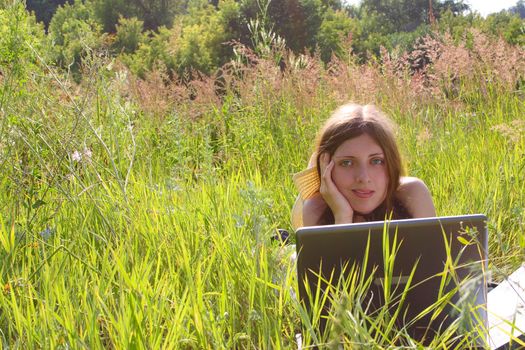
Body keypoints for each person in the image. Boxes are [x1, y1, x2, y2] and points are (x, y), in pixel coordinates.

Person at [291, 103, 436, 228]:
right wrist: (342, 217)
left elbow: (434, 258)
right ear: (326, 166)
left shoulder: (412, 194)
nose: (363, 177)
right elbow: (333, 262)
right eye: (347, 163)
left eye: (376, 161)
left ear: (391, 163)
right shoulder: (316, 209)